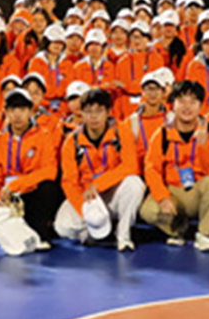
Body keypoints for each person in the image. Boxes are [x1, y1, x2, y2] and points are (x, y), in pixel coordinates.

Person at [139, 80, 209, 250]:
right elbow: (151, 170)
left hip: (199, 191)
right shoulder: (162, 134)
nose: (187, 107)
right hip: (173, 191)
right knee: (148, 211)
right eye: (181, 101)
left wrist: (203, 146)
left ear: (201, 106)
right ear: (173, 105)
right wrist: (163, 197)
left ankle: (204, 233)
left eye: (193, 102)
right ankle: (178, 230)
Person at [56, 89, 146, 250]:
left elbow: (131, 166)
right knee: (61, 227)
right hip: (87, 197)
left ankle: (123, 235)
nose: (93, 116)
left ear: (108, 112)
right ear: (82, 114)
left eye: (99, 111)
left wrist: (98, 184)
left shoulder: (121, 131)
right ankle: (92, 230)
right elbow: (69, 182)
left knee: (135, 183)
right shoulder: (71, 141)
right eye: (88, 111)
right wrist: (86, 211)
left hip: (113, 193)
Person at [0, 89, 63, 242]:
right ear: (6, 112)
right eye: (13, 109)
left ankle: (38, 232)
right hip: (6, 197)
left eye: (22, 109)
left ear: (31, 111)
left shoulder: (44, 136)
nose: (17, 115)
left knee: (48, 188)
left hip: (31, 194)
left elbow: (50, 171)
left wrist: (17, 185)